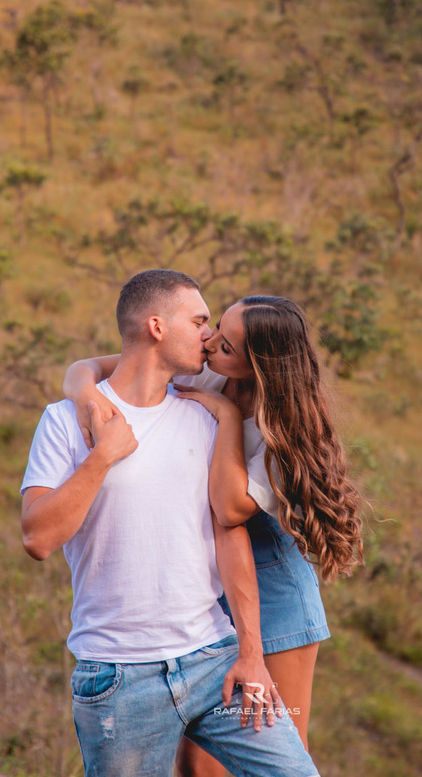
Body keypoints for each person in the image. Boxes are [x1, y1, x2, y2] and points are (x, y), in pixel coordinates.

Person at [21, 270, 318, 777]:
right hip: (119, 675)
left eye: (216, 329)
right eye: (202, 320)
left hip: (216, 655)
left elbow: (229, 528)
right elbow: (38, 538)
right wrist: (99, 450)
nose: (209, 336)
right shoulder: (68, 420)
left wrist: (250, 653)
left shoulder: (221, 419)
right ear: (157, 327)